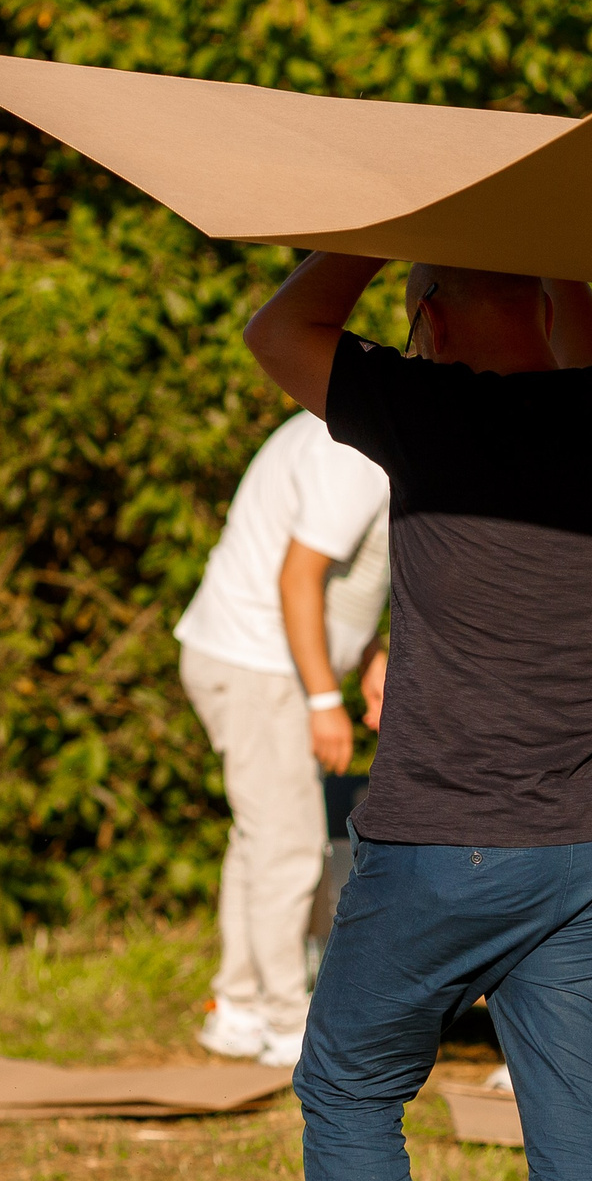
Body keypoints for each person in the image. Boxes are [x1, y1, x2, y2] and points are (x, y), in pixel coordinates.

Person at [244, 256, 592, 1181]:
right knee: (581, 1152)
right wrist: (549, 246)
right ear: (545, 299)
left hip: (448, 842)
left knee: (349, 1086)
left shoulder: (428, 409)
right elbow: (591, 351)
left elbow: (280, 328)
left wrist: (368, 235)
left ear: (425, 319)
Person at [174, 411, 394, 1069]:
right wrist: (324, 699)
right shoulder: (352, 447)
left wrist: (366, 657)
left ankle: (237, 1009)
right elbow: (298, 577)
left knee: (259, 837)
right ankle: (287, 1023)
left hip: (250, 659)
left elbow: (340, 585)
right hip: (261, 667)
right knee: (290, 846)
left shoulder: (353, 437)